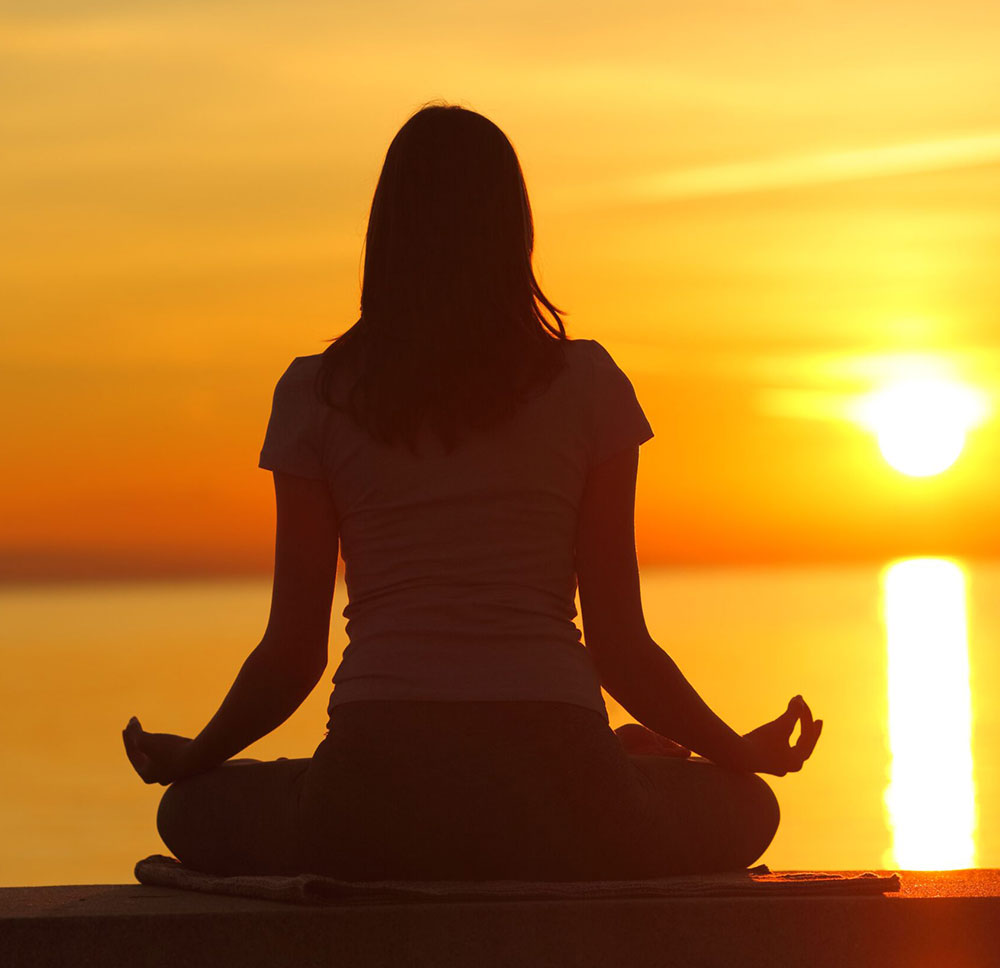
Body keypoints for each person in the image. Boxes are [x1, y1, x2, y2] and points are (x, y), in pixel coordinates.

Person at [122, 102, 822, 880]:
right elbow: (622, 649)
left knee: (186, 809)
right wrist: (735, 751)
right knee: (750, 807)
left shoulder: (315, 394)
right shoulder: (588, 385)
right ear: (514, 233)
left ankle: (627, 770)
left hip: (376, 792)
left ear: (385, 236)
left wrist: (201, 754)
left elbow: (293, 655)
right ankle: (632, 768)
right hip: (565, 784)